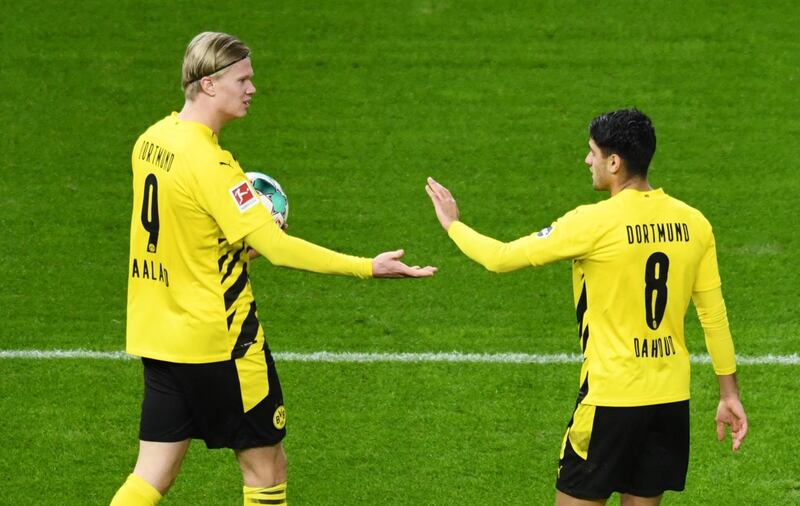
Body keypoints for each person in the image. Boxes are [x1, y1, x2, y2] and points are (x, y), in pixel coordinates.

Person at [111, 31, 436, 506]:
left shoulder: (149, 142)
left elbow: (178, 231)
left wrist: (230, 242)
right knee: (266, 468)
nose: (252, 89)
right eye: (242, 79)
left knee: (153, 470)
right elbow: (278, 249)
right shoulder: (215, 166)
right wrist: (367, 266)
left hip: (158, 335)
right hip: (219, 342)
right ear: (208, 85)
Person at [425, 108, 747, 506]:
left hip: (610, 402)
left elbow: (500, 258)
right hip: (669, 404)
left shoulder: (592, 223)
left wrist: (453, 224)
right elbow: (713, 316)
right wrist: (728, 394)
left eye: (593, 152)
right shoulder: (695, 223)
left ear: (615, 162)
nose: (587, 160)